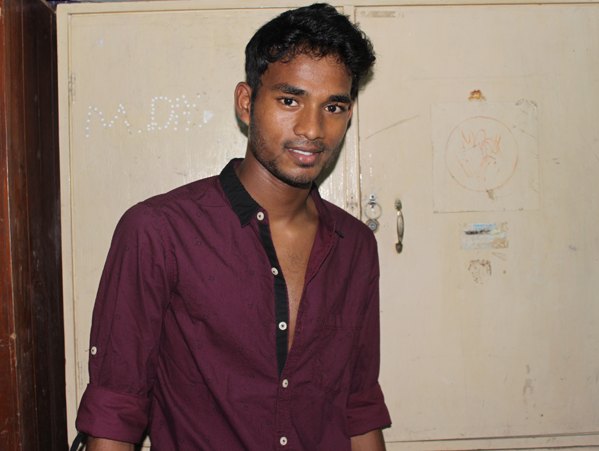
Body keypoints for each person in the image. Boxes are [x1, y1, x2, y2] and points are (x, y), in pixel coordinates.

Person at [74, 3, 391, 450]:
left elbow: (359, 406)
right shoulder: (158, 232)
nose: (312, 128)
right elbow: (115, 412)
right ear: (246, 103)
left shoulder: (354, 245)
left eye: (333, 106)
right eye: (290, 100)